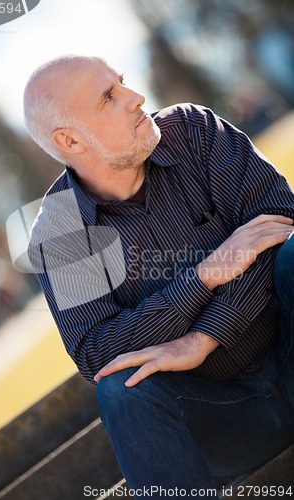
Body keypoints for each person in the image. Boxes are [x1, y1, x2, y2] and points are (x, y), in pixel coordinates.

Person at [24, 55, 294, 499]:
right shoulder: (61, 232)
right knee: (121, 389)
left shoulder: (195, 131)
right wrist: (207, 273)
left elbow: (279, 223)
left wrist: (202, 338)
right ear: (70, 139)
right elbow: (98, 352)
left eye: (122, 82)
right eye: (109, 97)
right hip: (224, 420)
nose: (136, 98)